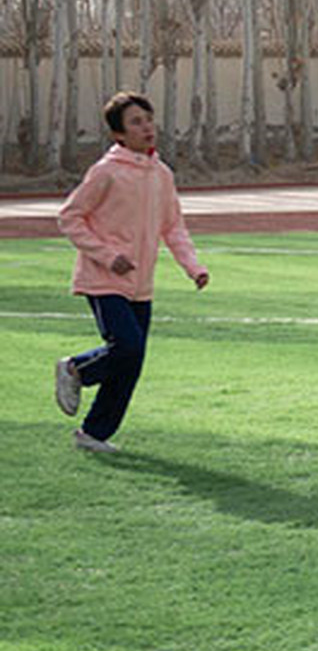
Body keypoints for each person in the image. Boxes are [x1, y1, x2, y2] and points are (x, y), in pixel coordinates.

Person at [53, 92, 209, 452]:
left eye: (149, 119)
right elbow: (70, 217)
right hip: (103, 279)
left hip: (141, 285)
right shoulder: (105, 172)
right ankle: (76, 369)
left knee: (131, 361)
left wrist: (194, 267)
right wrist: (107, 256)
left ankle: (94, 434)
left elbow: (173, 228)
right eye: (136, 122)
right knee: (127, 345)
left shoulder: (162, 175)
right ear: (118, 135)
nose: (147, 127)